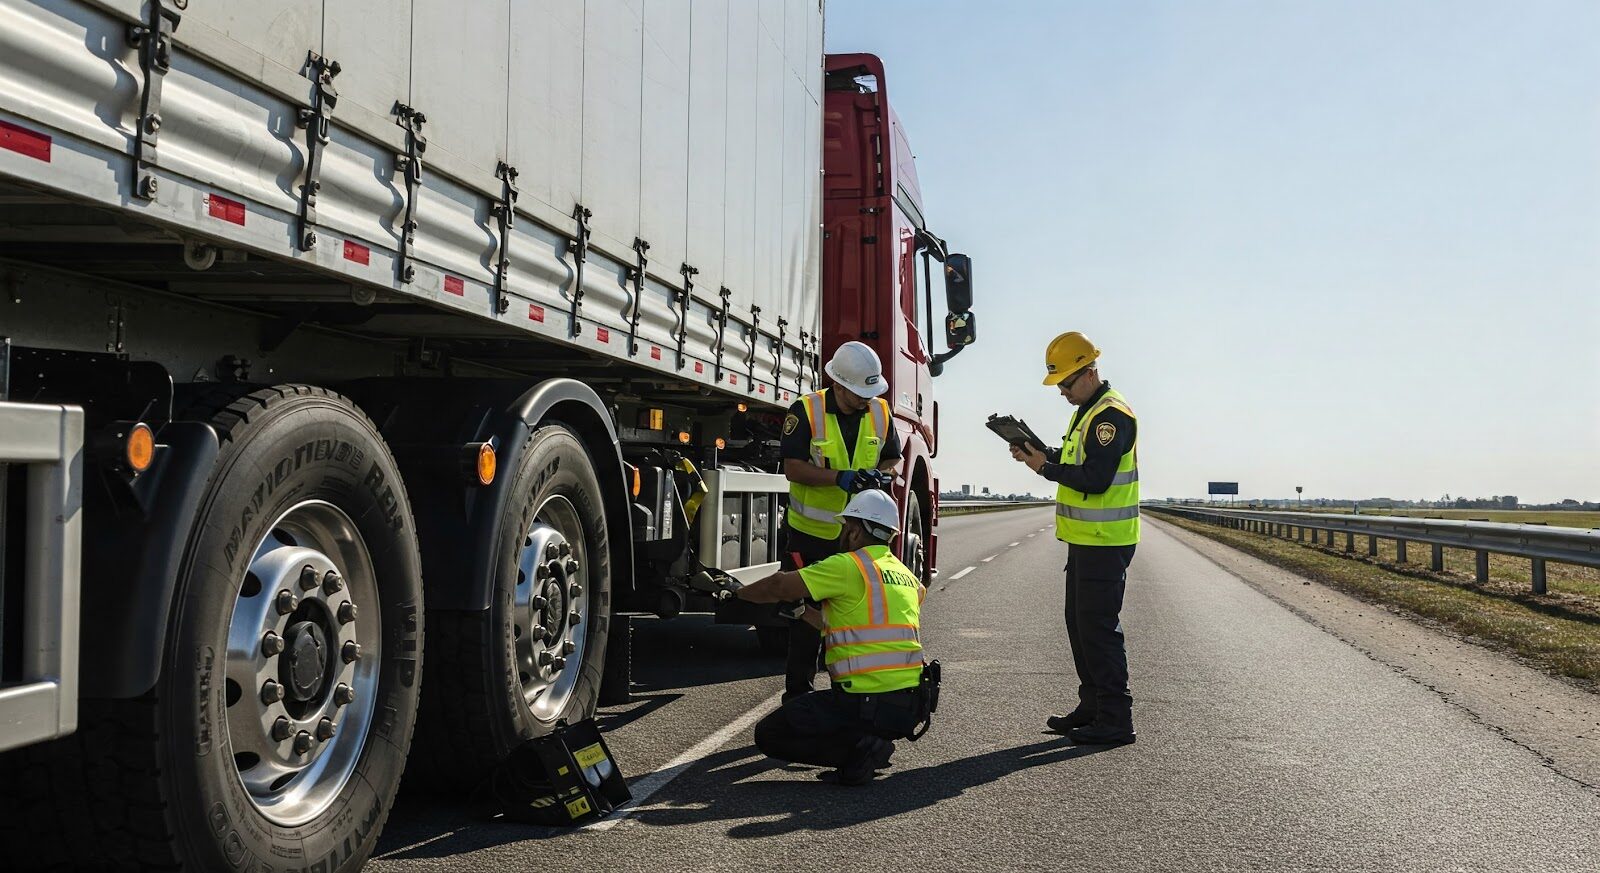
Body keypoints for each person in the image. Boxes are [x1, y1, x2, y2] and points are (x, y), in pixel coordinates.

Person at [736, 490, 927, 785]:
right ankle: (869, 742)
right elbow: (855, 627)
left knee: (770, 734)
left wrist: (733, 593)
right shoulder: (906, 576)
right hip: (908, 706)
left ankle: (860, 751)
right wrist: (801, 614)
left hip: (864, 701)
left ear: (853, 530)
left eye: (845, 526)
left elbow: (779, 586)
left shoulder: (848, 565)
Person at [1009, 331, 1139, 746]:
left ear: (1089, 371)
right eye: (1059, 384)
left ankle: (1116, 719)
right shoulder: (1087, 411)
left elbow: (1096, 480)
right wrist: (1039, 452)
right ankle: (1093, 705)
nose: (1062, 391)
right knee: (1080, 627)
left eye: (1066, 382)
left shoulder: (1109, 416)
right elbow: (1074, 460)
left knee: (1098, 630)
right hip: (1087, 540)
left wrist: (1044, 469)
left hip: (1105, 539)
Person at [777, 340, 902, 700]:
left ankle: (845, 698)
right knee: (804, 620)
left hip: (856, 538)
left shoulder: (880, 412)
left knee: (849, 620)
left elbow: (891, 458)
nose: (866, 399)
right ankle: (797, 700)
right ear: (839, 383)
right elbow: (793, 468)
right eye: (859, 393)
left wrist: (880, 476)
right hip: (811, 536)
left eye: (870, 392)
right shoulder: (806, 411)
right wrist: (841, 478)